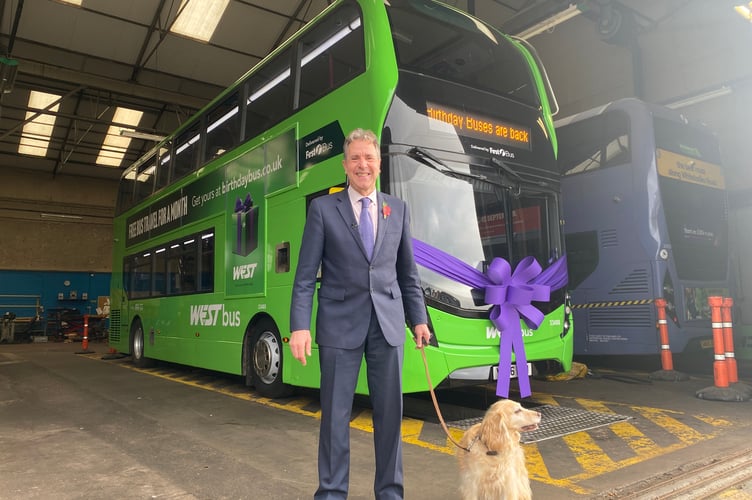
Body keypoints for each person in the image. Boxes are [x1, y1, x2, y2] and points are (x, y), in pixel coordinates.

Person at [289, 128, 432, 500]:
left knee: (390, 418)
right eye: (355, 158)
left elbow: (407, 272)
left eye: (369, 158)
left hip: (387, 327)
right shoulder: (323, 209)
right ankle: (332, 493)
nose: (362, 165)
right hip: (339, 328)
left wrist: (418, 319)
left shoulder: (396, 209)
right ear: (345, 164)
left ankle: (390, 493)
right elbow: (305, 276)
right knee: (335, 418)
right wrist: (300, 327)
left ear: (379, 165)